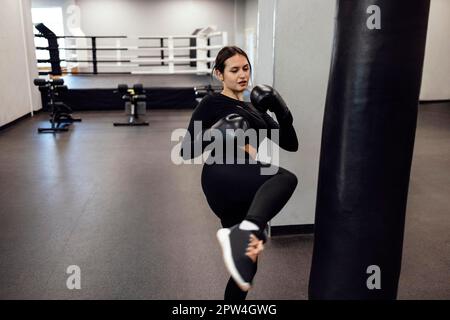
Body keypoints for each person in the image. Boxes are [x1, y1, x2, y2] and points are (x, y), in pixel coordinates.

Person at [180, 46, 299, 300]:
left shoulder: (255, 108)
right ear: (219, 74)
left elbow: (291, 144)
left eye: (246, 68)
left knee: (246, 266)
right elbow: (185, 150)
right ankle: (250, 230)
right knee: (284, 178)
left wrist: (282, 112)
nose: (242, 75)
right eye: (234, 70)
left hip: (248, 183)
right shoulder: (212, 103)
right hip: (222, 175)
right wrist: (215, 132)